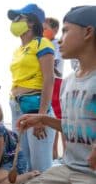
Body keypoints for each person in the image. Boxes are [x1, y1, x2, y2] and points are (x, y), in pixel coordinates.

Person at [17, 6, 96, 184]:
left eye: (66, 31)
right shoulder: (67, 82)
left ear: (88, 32)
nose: (60, 40)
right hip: (67, 168)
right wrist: (44, 119)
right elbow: (74, 127)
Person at [8, 3, 55, 172]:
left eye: (19, 18)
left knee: (40, 165)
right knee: (24, 161)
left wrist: (42, 117)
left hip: (36, 107)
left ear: (32, 23)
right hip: (16, 105)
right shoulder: (18, 50)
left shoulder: (43, 44)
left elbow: (49, 79)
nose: (14, 21)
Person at [43, 17, 66, 160]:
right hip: (45, 82)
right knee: (50, 117)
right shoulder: (43, 44)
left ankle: (66, 153)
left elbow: (53, 66)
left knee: (59, 117)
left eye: (45, 28)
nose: (43, 31)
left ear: (55, 29)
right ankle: (53, 153)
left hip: (55, 82)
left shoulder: (56, 43)